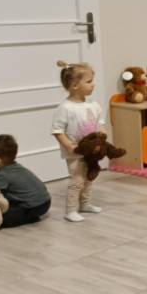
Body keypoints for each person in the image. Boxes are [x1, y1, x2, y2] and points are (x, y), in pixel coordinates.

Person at [51, 61, 105, 223]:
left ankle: (85, 204)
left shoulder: (93, 105)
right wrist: (69, 146)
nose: (93, 84)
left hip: (92, 152)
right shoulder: (65, 108)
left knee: (89, 178)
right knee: (76, 181)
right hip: (74, 153)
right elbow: (57, 131)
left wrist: (102, 134)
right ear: (75, 85)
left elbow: (100, 122)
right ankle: (70, 210)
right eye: (89, 81)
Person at [0, 135, 51, 228]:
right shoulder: (19, 167)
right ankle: (30, 217)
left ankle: (28, 218)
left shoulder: (1, 175)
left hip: (31, 207)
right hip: (45, 203)